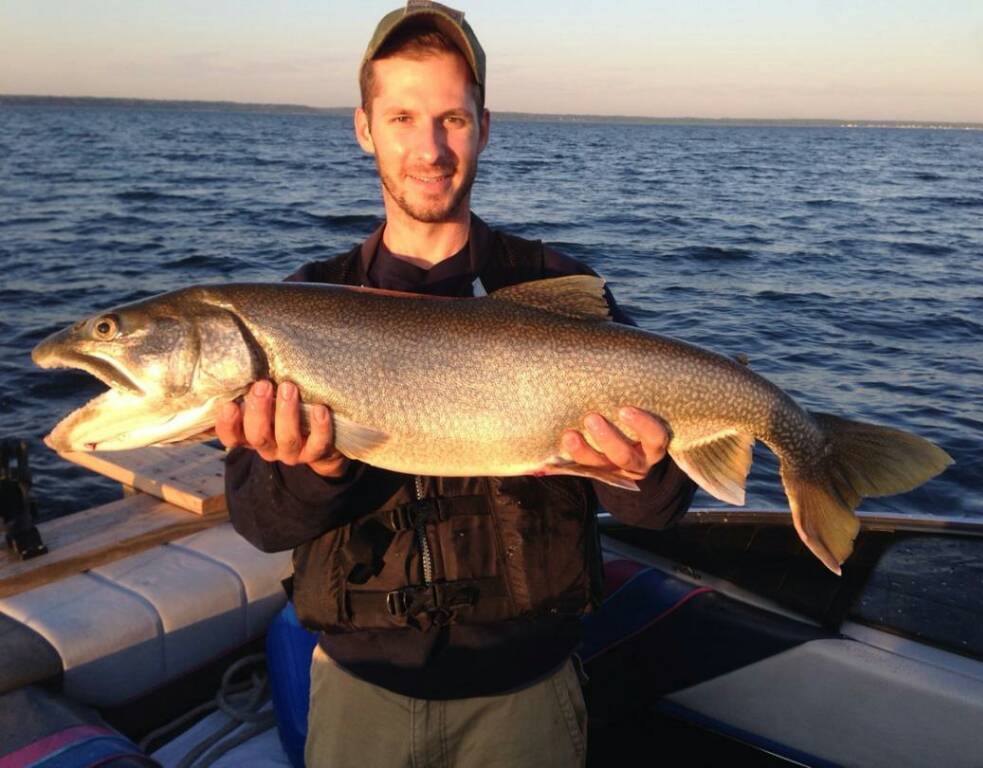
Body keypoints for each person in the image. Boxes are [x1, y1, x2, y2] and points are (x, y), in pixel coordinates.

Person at [218, 2, 696, 766]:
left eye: (452, 119)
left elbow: (659, 508)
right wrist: (315, 469)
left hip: (529, 697)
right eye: (403, 117)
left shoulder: (559, 289)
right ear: (365, 127)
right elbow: (260, 522)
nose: (430, 147)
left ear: (484, 126)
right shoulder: (297, 305)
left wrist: (642, 471)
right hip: (358, 694)